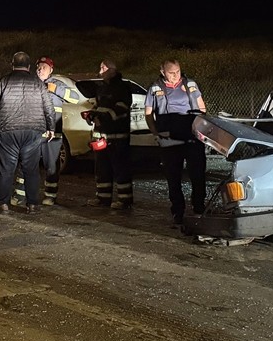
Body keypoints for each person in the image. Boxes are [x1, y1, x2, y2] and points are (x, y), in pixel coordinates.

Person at [0, 51, 55, 214]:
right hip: (33, 131)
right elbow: (48, 107)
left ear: (12, 64)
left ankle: (3, 203)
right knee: (31, 170)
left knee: (5, 169)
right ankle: (33, 205)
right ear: (29, 66)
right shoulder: (38, 83)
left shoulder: (4, 81)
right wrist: (51, 128)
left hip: (7, 130)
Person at [144, 59, 209, 226]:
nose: (175, 75)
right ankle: (178, 211)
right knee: (173, 176)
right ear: (162, 72)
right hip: (169, 138)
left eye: (178, 72)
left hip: (191, 135)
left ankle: (199, 206)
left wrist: (202, 128)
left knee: (198, 173)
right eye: (171, 73)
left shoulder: (190, 84)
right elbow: (148, 113)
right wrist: (155, 133)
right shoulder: (155, 88)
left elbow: (202, 107)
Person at [29, 56, 85, 206]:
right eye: (38, 67)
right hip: (34, 133)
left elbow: (75, 98)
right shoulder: (32, 84)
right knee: (28, 164)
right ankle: (27, 195)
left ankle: (50, 196)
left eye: (44, 67)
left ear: (51, 70)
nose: (40, 70)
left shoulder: (57, 84)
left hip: (53, 135)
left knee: (51, 166)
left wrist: (55, 89)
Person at [84, 59, 133, 209]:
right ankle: (103, 198)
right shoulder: (101, 88)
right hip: (102, 137)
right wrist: (91, 114)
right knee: (102, 169)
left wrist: (103, 118)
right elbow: (99, 106)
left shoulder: (122, 87)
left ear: (112, 70)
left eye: (103, 68)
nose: (100, 71)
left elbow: (121, 109)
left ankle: (124, 200)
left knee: (120, 169)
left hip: (117, 137)